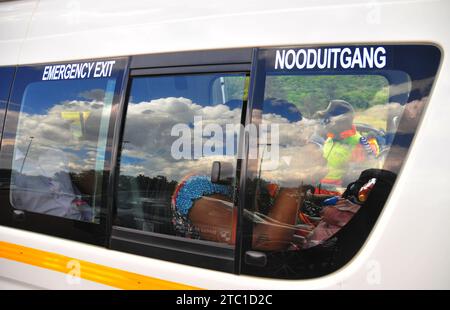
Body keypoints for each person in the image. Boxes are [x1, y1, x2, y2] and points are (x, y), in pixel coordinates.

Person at [313, 100, 380, 195]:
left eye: (328, 120)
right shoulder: (330, 138)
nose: (325, 123)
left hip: (335, 198)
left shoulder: (358, 144)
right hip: (317, 193)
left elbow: (358, 182)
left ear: (343, 122)